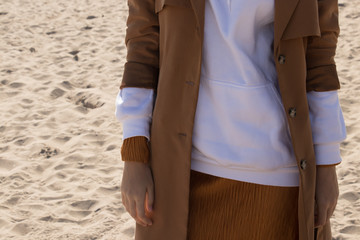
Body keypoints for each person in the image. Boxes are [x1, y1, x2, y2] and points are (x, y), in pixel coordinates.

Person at [115, 0, 347, 239]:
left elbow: (320, 61)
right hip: (182, 172)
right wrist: (134, 153)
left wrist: (327, 163)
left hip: (279, 176)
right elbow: (142, 46)